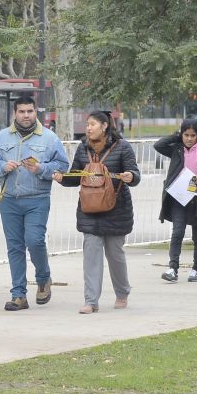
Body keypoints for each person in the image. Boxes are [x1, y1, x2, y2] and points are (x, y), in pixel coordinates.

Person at [0, 95, 69, 312]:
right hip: (9, 200)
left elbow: (63, 165)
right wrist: (2, 167)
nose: (26, 115)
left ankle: (43, 278)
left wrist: (41, 169)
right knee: (14, 247)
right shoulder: (1, 137)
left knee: (34, 241)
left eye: (30, 111)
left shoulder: (50, 139)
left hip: (37, 199)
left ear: (36, 113)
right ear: (15, 113)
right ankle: (18, 295)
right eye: (22, 111)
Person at [55, 111, 140, 313]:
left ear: (104, 126)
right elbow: (75, 176)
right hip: (89, 208)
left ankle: (122, 292)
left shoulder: (122, 147)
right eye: (87, 125)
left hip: (116, 209)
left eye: (92, 124)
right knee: (91, 256)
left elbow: (135, 174)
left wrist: (130, 176)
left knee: (115, 255)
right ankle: (91, 300)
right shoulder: (83, 148)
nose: (88, 128)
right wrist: (62, 178)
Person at [154, 120, 197, 283]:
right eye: (186, 135)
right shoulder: (176, 149)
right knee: (177, 233)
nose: (189, 139)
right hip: (179, 196)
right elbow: (158, 145)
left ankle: (196, 269)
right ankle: (172, 268)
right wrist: (177, 136)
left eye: (193, 135)